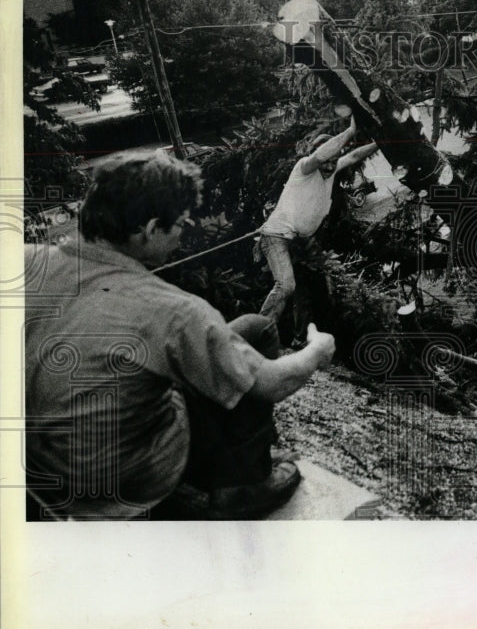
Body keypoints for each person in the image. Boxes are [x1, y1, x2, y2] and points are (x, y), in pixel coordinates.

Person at [24, 152, 337, 520]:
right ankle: (243, 486)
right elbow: (272, 384)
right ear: (151, 227)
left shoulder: (27, 262)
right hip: (123, 485)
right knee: (257, 329)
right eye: (179, 227)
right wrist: (317, 350)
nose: (181, 239)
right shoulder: (176, 312)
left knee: (187, 356)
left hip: (38, 475)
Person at [257, 119, 379, 343]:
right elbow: (322, 155)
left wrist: (382, 142)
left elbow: (352, 157)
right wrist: (351, 131)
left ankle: (300, 338)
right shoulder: (304, 168)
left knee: (310, 290)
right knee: (286, 286)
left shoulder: (330, 172)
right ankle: (258, 333)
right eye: (327, 161)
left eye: (334, 162)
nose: (330, 166)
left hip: (300, 242)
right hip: (276, 237)